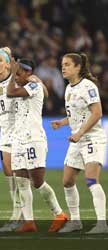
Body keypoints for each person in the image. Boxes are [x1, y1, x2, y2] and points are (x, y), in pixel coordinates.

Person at [7, 58, 68, 232]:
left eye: (19, 73)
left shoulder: (33, 86)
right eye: (16, 73)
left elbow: (10, 92)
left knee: (37, 181)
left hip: (34, 139)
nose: (16, 77)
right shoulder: (28, 85)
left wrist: (12, 73)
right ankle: (29, 222)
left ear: (28, 73)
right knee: (21, 180)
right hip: (18, 139)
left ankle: (59, 214)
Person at [52, 53, 108, 234]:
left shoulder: (88, 86)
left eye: (67, 64)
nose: (63, 67)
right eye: (62, 64)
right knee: (67, 181)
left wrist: (80, 132)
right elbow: (76, 114)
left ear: (78, 67)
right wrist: (62, 122)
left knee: (91, 179)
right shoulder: (69, 88)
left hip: (92, 138)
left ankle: (101, 223)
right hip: (77, 139)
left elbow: (97, 113)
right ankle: (76, 221)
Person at [0, 47, 23, 232]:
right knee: (8, 172)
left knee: (25, 176)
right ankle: (18, 213)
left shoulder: (17, 79)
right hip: (5, 131)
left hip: (20, 130)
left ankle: (22, 214)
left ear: (8, 64)